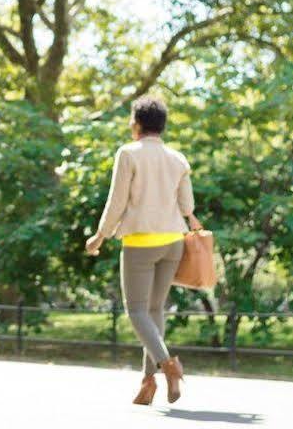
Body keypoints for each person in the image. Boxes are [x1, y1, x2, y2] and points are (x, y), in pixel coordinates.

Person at [84, 94, 203, 407]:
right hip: (173, 242)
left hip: (140, 242)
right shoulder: (178, 159)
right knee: (154, 312)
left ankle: (168, 367)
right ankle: (147, 383)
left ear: (137, 124)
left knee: (136, 311)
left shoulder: (129, 154)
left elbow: (116, 201)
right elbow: (188, 206)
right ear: (161, 126)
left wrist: (99, 236)